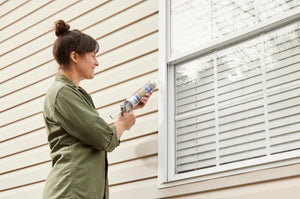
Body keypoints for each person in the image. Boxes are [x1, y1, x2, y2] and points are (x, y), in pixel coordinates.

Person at [42, 20, 151, 199]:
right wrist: (123, 123)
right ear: (75, 57)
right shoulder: (62, 93)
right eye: (92, 56)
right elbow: (103, 138)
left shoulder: (74, 93)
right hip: (70, 193)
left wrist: (127, 110)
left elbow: (96, 133)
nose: (96, 62)